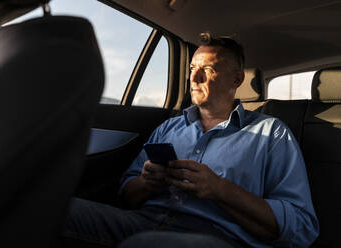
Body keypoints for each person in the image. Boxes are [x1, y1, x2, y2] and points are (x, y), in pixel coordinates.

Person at [58, 34, 319, 248]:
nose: (194, 79)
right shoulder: (169, 127)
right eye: (193, 68)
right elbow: (127, 194)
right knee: (49, 210)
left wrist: (218, 189)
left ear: (236, 79)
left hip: (219, 237)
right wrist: (147, 182)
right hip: (141, 222)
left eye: (207, 69)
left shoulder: (271, 134)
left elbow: (301, 227)